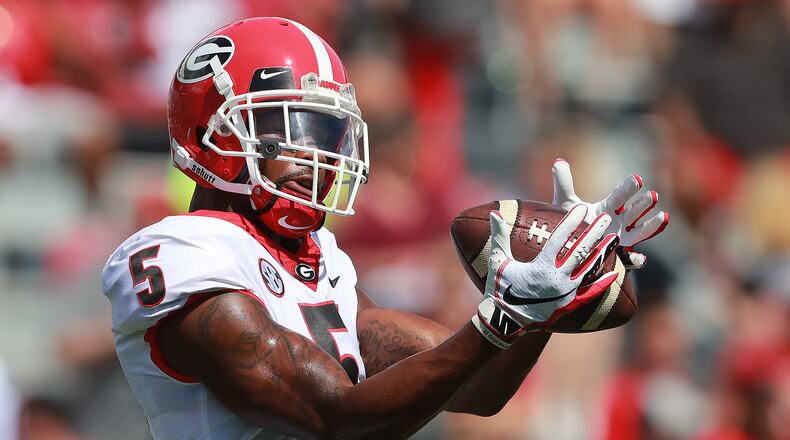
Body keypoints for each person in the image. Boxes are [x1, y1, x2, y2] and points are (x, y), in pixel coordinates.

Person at [101, 17, 669, 439]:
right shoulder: (181, 255)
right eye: (288, 129)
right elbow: (331, 416)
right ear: (215, 131)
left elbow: (481, 385)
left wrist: (554, 284)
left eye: (325, 135)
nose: (313, 157)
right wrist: (503, 316)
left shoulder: (318, 258)